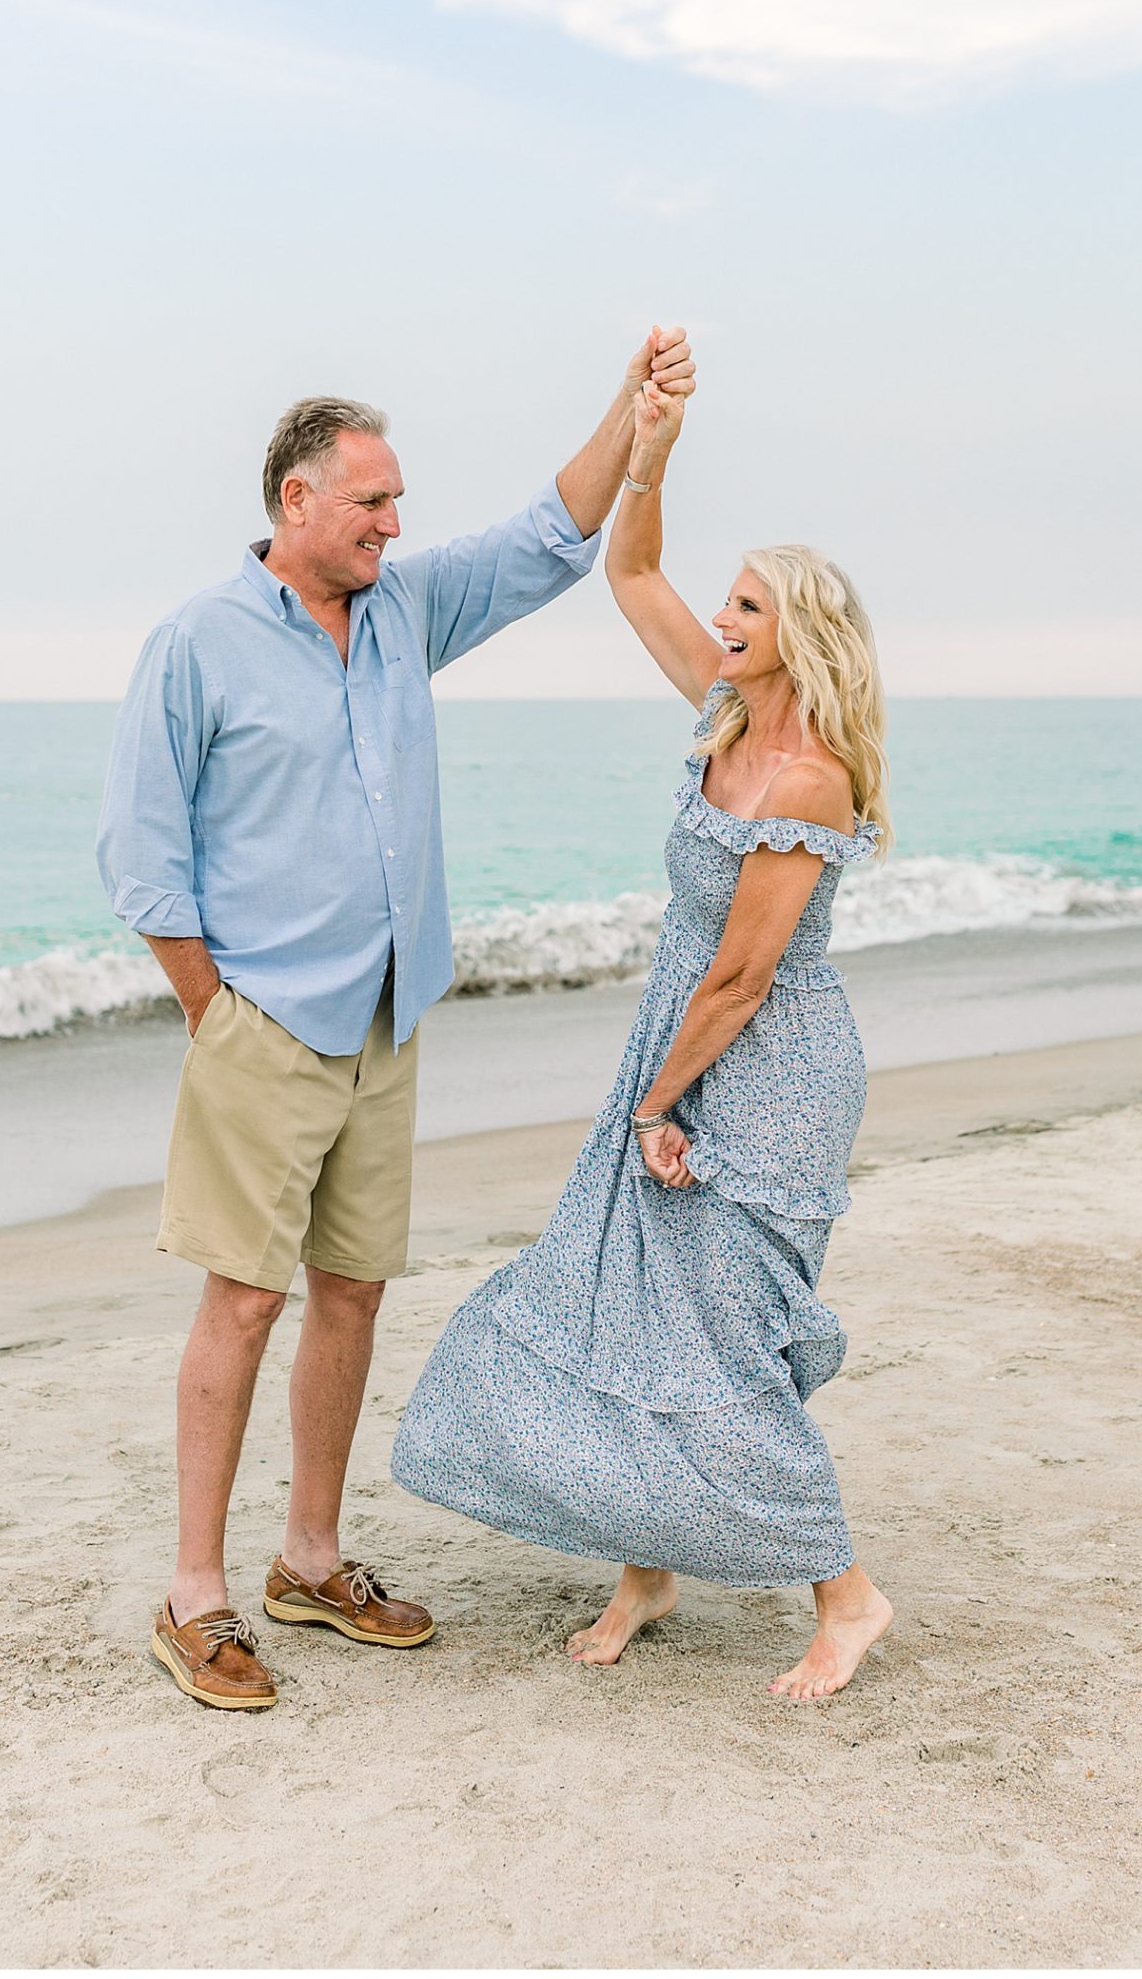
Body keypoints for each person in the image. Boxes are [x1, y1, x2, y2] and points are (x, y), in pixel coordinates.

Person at [96, 330, 697, 1711]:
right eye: (370, 502)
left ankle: (311, 1559)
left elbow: (553, 537)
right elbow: (142, 856)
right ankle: (196, 1596)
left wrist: (628, 405)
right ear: (293, 502)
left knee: (351, 1291)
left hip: (384, 1012)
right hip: (263, 1020)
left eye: (397, 501)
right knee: (240, 1300)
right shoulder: (196, 641)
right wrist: (215, 1014)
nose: (393, 522)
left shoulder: (406, 608)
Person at [392, 372, 895, 1700]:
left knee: (718, 1336)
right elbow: (629, 568)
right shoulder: (724, 709)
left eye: (744, 606)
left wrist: (656, 1111)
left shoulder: (807, 776)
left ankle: (844, 1596)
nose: (718, 619)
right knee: (618, 1305)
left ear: (796, 633)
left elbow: (737, 982)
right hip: (673, 1058)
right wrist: (653, 453)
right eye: (725, 603)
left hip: (759, 1074)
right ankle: (646, 1566)